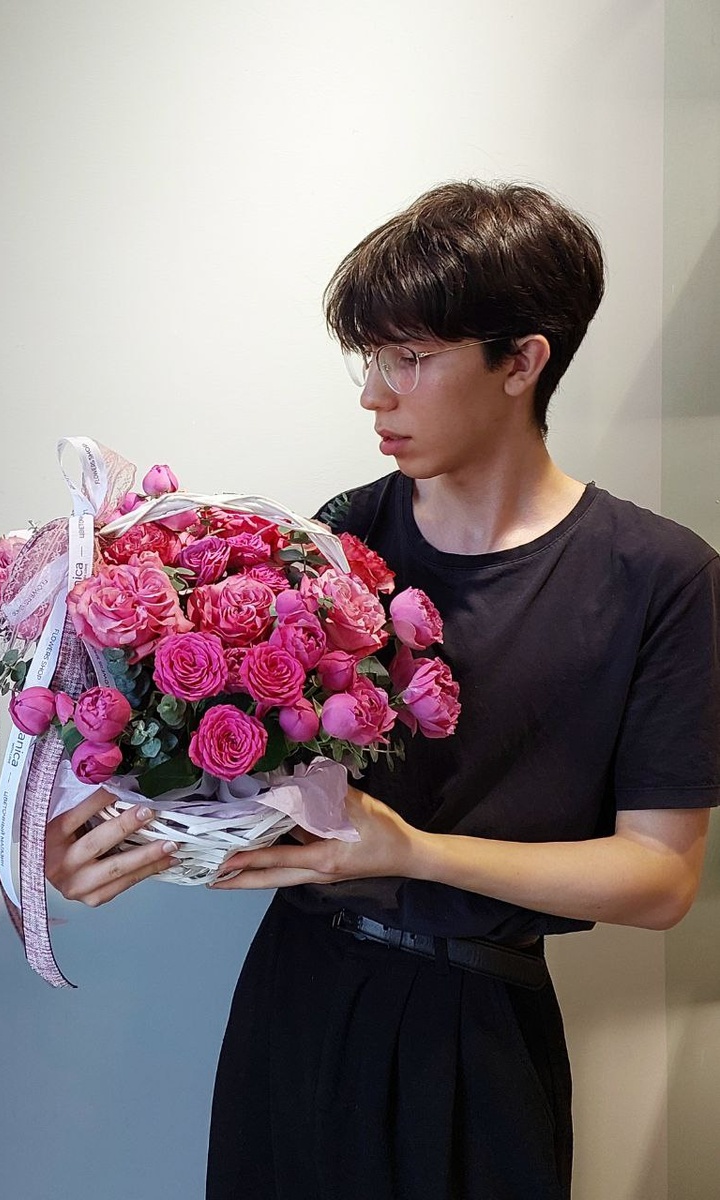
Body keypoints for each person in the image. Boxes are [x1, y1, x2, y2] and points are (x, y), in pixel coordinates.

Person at [45, 181, 720, 1200]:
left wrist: (411, 850)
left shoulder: (655, 576)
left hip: (479, 1032)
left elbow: (659, 880)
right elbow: (254, 787)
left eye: (408, 358)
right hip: (299, 1003)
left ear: (521, 362)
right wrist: (108, 837)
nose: (374, 395)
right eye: (368, 359)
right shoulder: (335, 539)